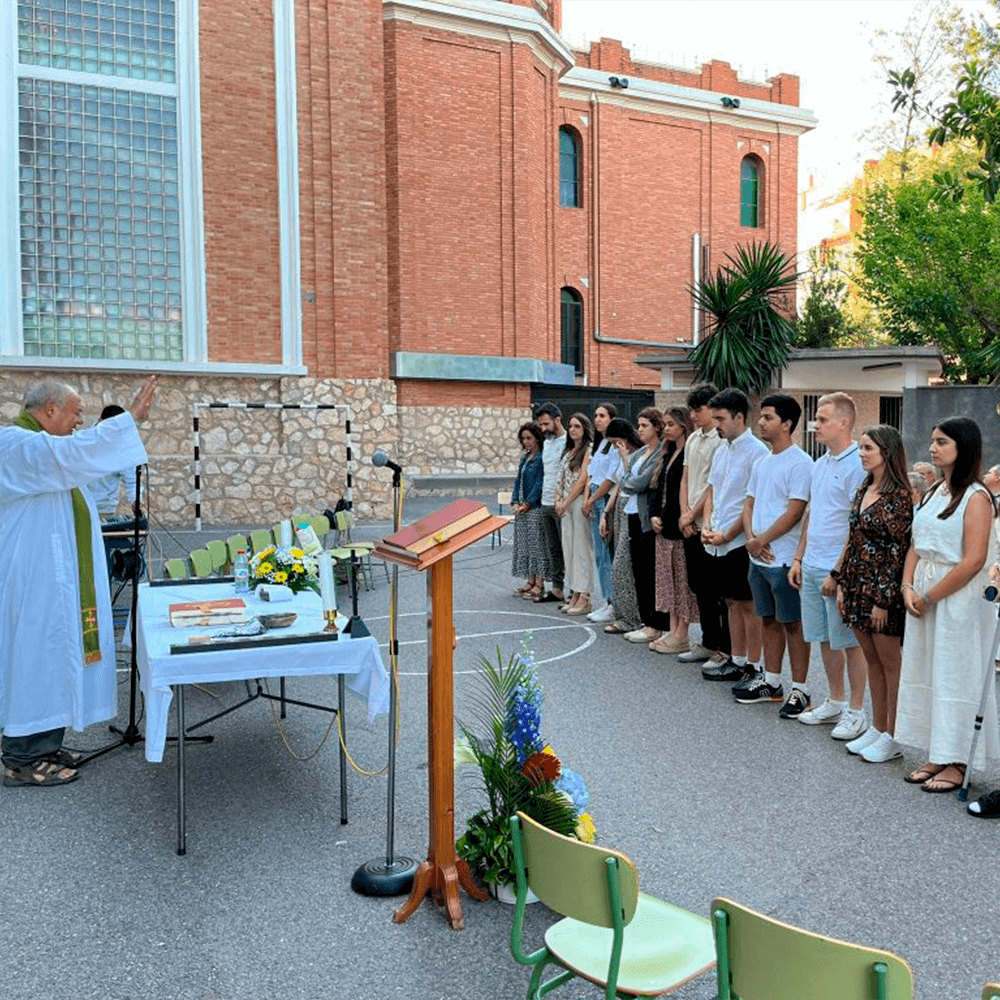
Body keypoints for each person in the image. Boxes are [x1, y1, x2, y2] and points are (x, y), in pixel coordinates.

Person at [0, 376, 157, 787]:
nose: (80, 421)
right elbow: (73, 453)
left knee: (55, 659)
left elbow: (73, 457)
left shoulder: (44, 450)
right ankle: (20, 759)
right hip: (32, 582)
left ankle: (44, 747)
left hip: (53, 581)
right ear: (50, 409)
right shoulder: (16, 444)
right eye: (76, 412)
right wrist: (128, 420)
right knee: (34, 662)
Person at [895, 417, 999, 792]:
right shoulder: (935, 490)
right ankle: (939, 752)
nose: (932, 448)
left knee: (957, 675)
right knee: (930, 673)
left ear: (963, 447)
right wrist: (908, 586)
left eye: (942, 442)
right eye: (933, 440)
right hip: (924, 592)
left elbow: (973, 560)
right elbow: (916, 544)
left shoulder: (977, 497)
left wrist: (929, 596)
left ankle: (958, 760)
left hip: (958, 599)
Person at [789, 392, 869, 740]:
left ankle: (857, 711)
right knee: (823, 638)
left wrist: (839, 571)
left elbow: (857, 525)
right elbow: (812, 514)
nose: (815, 425)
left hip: (838, 569)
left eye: (822, 419)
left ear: (844, 423)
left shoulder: (858, 465)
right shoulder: (819, 463)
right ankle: (835, 700)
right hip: (812, 564)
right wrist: (799, 558)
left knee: (850, 642)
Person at [831, 426, 913, 763]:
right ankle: (878, 727)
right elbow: (853, 540)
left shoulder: (900, 496)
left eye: (868, 448)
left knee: (891, 666)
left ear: (887, 452)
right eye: (862, 447)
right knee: (873, 663)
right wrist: (842, 584)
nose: (862, 454)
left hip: (883, 594)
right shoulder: (864, 488)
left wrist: (883, 601)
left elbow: (898, 551)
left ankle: (894, 734)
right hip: (856, 587)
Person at [737, 395, 814, 716]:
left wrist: (762, 540)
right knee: (767, 620)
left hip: (783, 559)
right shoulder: (762, 462)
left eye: (768, 417)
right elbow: (749, 503)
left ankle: (801, 689)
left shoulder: (801, 463)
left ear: (787, 424)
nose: (760, 422)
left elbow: (795, 512)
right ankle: (771, 681)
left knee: (793, 624)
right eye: (761, 416)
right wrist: (751, 540)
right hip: (758, 558)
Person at [699, 388, 766, 684]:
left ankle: (754, 665)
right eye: (714, 418)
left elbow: (751, 503)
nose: (716, 424)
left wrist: (727, 535)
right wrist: (706, 525)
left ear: (739, 417)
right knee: (730, 601)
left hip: (738, 542)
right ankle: (736, 660)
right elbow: (712, 491)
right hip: (716, 539)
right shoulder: (721, 450)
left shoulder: (757, 452)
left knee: (748, 604)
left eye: (721, 419)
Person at [677, 383, 728, 669]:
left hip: (708, 523)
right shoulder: (694, 439)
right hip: (690, 521)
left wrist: (693, 515)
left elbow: (712, 485)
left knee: (716, 589)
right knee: (698, 586)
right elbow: (686, 478)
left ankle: (724, 647)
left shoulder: (720, 440)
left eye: (698, 410)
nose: (694, 415)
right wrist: (684, 514)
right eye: (692, 410)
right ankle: (708, 642)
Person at [617, 408, 671, 644]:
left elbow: (639, 483)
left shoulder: (660, 452)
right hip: (632, 514)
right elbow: (627, 477)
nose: (639, 429)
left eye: (644, 425)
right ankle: (645, 621)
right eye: (638, 425)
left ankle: (655, 624)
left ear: (657, 427)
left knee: (650, 573)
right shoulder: (640, 451)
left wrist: (627, 479)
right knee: (638, 570)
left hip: (646, 518)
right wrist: (627, 478)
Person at [649, 406, 698, 654]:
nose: (666, 429)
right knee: (667, 581)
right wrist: (654, 514)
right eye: (665, 424)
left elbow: (684, 491)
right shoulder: (667, 452)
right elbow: (657, 488)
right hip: (663, 526)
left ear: (683, 425)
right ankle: (671, 629)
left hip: (679, 527)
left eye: (670, 424)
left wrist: (678, 518)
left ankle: (682, 634)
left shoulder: (689, 451)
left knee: (681, 582)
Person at [599, 419, 643, 636]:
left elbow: (630, 481)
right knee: (618, 562)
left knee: (622, 566)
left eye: (616, 441)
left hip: (632, 509)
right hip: (619, 508)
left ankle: (631, 618)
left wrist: (625, 458)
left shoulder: (638, 454)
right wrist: (606, 513)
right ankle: (622, 613)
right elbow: (617, 486)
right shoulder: (619, 454)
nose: (615, 446)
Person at [555, 413, 594, 615]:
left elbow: (582, 480)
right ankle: (575, 593)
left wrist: (567, 501)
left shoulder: (589, 449)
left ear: (585, 428)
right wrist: (558, 500)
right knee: (568, 550)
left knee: (581, 550)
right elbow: (560, 477)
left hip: (577, 503)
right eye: (570, 426)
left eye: (577, 426)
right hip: (564, 505)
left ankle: (585, 596)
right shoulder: (568, 450)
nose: (572, 429)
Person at [583, 403, 618, 622]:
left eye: (602, 415)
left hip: (603, 500)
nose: (597, 419)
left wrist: (593, 500)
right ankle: (607, 600)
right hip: (593, 498)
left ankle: (614, 603)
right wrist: (587, 499)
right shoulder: (601, 444)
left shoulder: (615, 445)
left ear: (612, 419)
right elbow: (591, 475)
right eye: (596, 415)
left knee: (606, 554)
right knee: (599, 554)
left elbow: (610, 479)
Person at [510, 422, 548, 600]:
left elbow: (540, 483)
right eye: (523, 439)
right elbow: (518, 480)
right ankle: (530, 580)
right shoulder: (524, 457)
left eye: (529, 438)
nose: (526, 442)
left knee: (537, 546)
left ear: (537, 438)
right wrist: (515, 501)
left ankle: (539, 583)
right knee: (525, 544)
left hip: (534, 508)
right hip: (522, 506)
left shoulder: (541, 458)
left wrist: (528, 503)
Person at [533, 403, 566, 603]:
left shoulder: (568, 442)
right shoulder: (547, 442)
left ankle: (577, 591)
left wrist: (563, 500)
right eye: (541, 425)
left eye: (546, 424)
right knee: (553, 548)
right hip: (545, 502)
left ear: (557, 420)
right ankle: (557, 589)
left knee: (568, 548)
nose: (543, 428)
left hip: (562, 503)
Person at [86, 404, 138, 519]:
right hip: (81, 506)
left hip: (105, 509)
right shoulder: (83, 438)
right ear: (100, 421)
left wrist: (136, 502)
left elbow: (132, 480)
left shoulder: (121, 448)